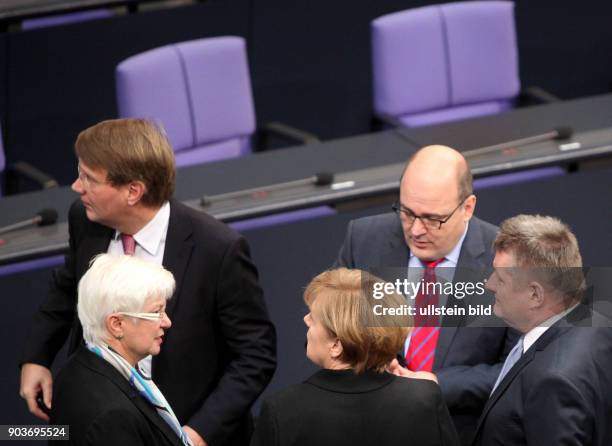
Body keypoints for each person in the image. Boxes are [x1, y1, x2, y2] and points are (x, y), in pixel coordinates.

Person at [20, 118, 277, 446]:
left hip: (179, 428)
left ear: (133, 191)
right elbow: (66, 290)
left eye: (89, 178)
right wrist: (36, 357)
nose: (76, 186)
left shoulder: (218, 249)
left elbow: (256, 354)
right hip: (97, 416)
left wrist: (198, 434)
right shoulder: (85, 219)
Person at [335, 145, 515, 444]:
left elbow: (521, 368)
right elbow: (328, 329)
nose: (416, 230)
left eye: (433, 219)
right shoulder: (364, 240)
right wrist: (370, 370)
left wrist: (436, 384)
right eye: (406, 212)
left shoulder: (509, 261)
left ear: (467, 207)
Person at [250, 268, 459, 446]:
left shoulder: (282, 410)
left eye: (313, 318)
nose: (306, 320)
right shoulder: (424, 398)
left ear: (336, 345)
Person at [473, 214, 612, 446]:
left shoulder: (553, 381)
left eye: (500, 278)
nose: (489, 284)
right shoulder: (598, 324)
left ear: (535, 295)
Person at [51, 254, 189, 445]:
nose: (167, 322)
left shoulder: (75, 368)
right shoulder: (112, 417)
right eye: (156, 312)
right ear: (117, 324)